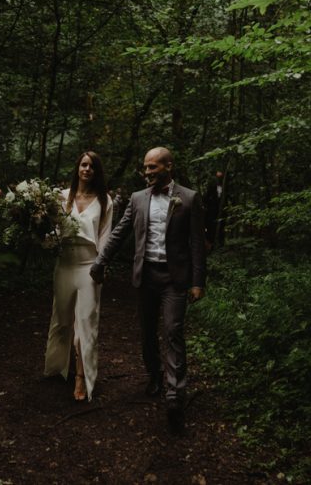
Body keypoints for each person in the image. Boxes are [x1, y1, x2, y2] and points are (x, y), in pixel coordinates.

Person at [89, 147, 206, 432]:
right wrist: (101, 261)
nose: (147, 172)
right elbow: (120, 231)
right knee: (146, 333)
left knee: (173, 332)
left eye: (153, 167)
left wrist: (197, 282)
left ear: (169, 166)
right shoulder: (138, 199)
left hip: (174, 279)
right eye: (145, 167)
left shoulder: (189, 198)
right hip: (146, 276)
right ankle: (154, 374)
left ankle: (174, 398)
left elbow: (197, 244)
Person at [43, 151, 113, 402]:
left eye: (92, 166)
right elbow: (50, 230)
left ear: (97, 171)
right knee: (61, 319)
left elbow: (105, 236)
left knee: (85, 322)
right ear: (77, 168)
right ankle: (56, 366)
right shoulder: (61, 197)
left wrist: (101, 265)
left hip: (89, 266)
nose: (87, 169)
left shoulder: (105, 200)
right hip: (64, 264)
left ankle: (82, 377)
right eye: (84, 164)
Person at [203, 170, 226, 248]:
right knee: (211, 227)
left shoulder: (224, 186)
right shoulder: (212, 184)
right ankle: (211, 244)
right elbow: (206, 197)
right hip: (211, 210)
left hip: (220, 210)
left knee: (220, 227)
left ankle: (220, 243)